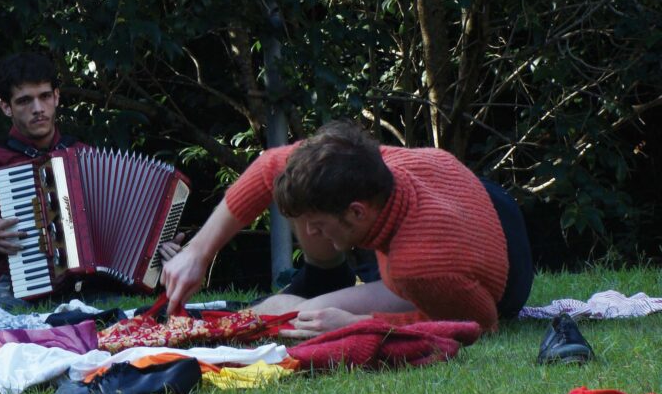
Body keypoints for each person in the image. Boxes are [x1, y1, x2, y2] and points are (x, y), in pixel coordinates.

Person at [162, 120, 533, 335]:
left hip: (486, 267)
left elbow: (480, 323)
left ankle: (322, 288)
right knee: (296, 188)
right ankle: (324, 274)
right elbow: (268, 166)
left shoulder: (419, 268)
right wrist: (198, 252)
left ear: (356, 212)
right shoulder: (378, 164)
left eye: (319, 226)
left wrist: (356, 323)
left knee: (285, 316)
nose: (308, 233)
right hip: (468, 197)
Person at [0, 52, 183, 308]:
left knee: (136, 317)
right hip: (17, 286)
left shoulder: (85, 157)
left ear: (56, 97)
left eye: (45, 96)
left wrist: (158, 250)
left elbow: (134, 229)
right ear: (6, 107)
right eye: (24, 101)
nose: (38, 109)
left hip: (94, 287)